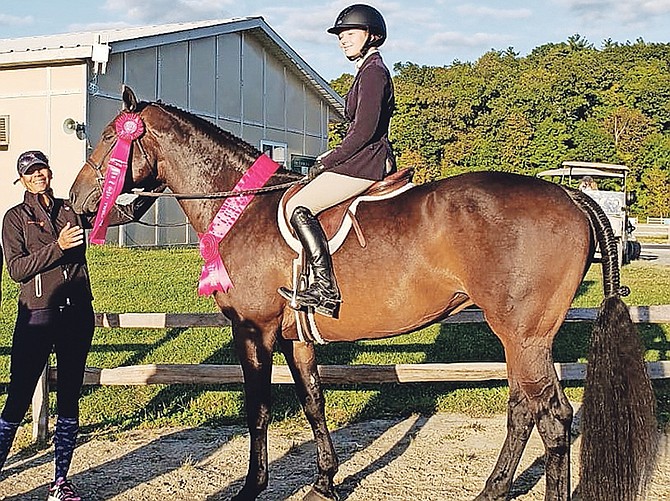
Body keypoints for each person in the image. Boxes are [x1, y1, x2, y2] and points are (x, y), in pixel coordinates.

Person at [278, 4, 396, 317]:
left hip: (367, 161)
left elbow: (364, 131)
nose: (343, 39)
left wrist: (329, 160)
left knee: (297, 207)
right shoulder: (367, 71)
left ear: (371, 35)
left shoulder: (374, 73)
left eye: (350, 33)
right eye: (340, 35)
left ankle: (324, 287)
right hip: (362, 157)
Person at [1, 150, 94, 501]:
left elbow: (117, 214)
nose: (38, 175)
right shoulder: (15, 218)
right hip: (37, 316)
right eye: (30, 171)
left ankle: (60, 483)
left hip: (77, 315)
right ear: (22, 179)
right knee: (18, 399)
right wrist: (58, 246)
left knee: (70, 398)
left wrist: (156, 187)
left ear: (49, 172)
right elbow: (17, 270)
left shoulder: (71, 209)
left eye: (41, 168)